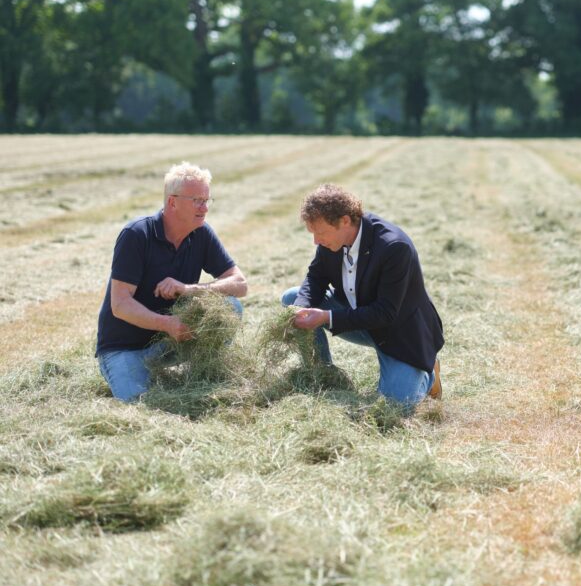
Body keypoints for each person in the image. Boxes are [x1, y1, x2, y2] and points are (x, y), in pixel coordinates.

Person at [95, 162, 247, 401]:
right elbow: (120, 304)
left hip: (170, 343)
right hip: (125, 348)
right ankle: (135, 375)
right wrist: (167, 324)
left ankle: (204, 371)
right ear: (172, 202)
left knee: (231, 306)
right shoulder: (136, 235)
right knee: (139, 405)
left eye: (207, 200)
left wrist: (189, 289)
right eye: (197, 200)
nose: (204, 208)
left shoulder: (201, 233)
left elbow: (240, 284)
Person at [282, 184, 444, 407]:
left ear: (345, 221)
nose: (316, 241)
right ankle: (321, 373)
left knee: (396, 405)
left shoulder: (394, 247)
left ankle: (428, 373)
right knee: (292, 298)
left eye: (320, 233)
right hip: (359, 317)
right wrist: (301, 307)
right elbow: (316, 277)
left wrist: (326, 317)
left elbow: (385, 312)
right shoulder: (332, 241)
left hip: (399, 332)